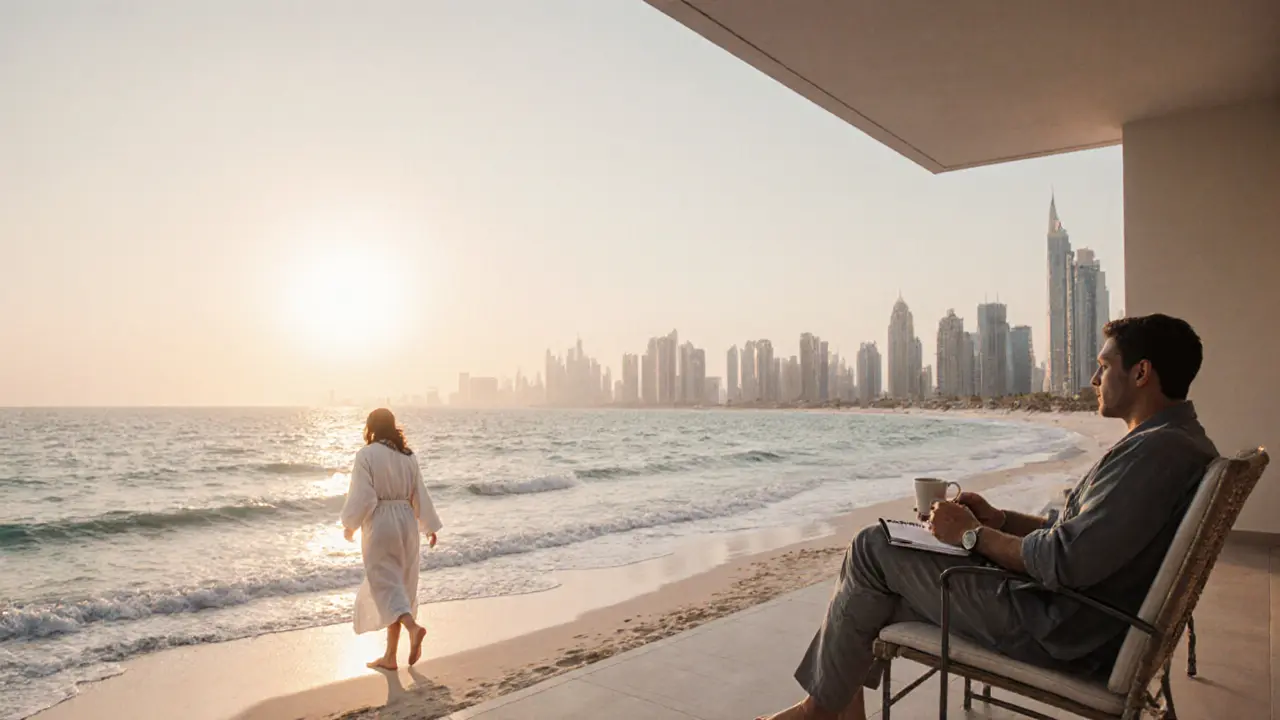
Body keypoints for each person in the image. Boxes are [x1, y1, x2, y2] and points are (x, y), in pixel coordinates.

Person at [759, 314, 1218, 720]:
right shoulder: (1174, 441)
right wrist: (999, 519)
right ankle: (836, 712)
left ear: (1141, 373)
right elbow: (1074, 538)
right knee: (874, 592)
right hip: (1077, 615)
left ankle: (820, 712)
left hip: (1059, 628)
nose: (1094, 378)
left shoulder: (1155, 453)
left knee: (871, 547)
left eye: (1103, 365)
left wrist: (972, 536)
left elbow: (1064, 560)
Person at [340, 408, 444, 671]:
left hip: (381, 523)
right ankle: (389, 656)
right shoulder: (408, 457)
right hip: (407, 523)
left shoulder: (366, 455)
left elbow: (364, 496)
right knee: (401, 585)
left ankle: (412, 627)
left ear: (371, 427)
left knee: (386, 586)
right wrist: (430, 527)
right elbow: (420, 494)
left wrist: (350, 525)